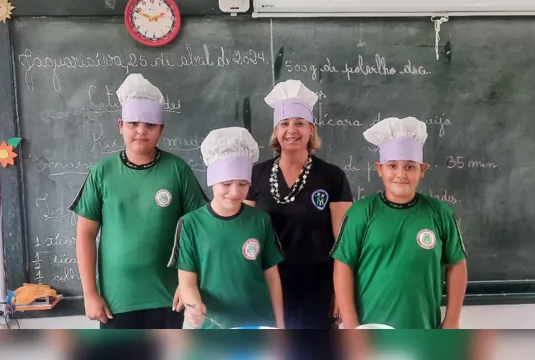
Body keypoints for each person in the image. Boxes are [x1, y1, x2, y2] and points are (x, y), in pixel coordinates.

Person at [70, 73, 208, 329]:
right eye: (133, 123)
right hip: (115, 302)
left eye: (150, 124)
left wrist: (188, 284)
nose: (141, 131)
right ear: (121, 125)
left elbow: (199, 231)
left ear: (161, 129)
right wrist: (90, 294)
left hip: (168, 297)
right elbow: (85, 235)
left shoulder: (177, 170)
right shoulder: (102, 172)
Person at [331, 116, 468, 329]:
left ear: (423, 170)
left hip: (423, 327)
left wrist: (452, 320)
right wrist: (350, 324)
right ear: (379, 168)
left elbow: (456, 265)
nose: (401, 174)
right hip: (370, 328)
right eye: (392, 166)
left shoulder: (439, 213)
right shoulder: (360, 212)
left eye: (410, 167)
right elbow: (343, 265)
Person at [245, 79, 354, 329]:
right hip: (267, 284)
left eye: (299, 123)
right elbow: (244, 232)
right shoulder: (255, 174)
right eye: (284, 123)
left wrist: (340, 292)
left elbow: (343, 241)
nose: (291, 130)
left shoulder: (332, 176)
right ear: (275, 130)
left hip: (317, 289)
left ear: (311, 130)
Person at [168, 126, 285, 329]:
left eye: (242, 184)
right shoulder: (190, 224)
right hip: (212, 328)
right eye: (226, 183)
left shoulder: (260, 220)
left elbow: (272, 277)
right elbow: (186, 282)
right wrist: (193, 305)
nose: (234, 192)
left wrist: (280, 325)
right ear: (212, 180)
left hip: (258, 325)